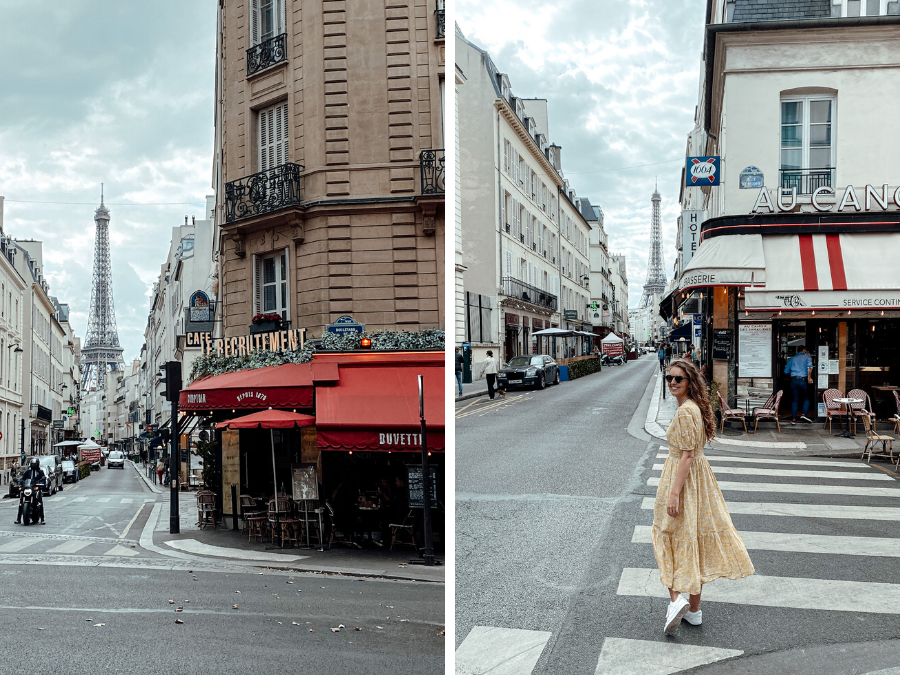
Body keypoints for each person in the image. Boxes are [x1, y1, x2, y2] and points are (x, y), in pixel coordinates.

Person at [652, 359, 754, 634]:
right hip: (699, 480)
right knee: (693, 540)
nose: (672, 382)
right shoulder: (695, 407)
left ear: (689, 383)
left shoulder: (686, 412)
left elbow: (685, 456)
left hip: (683, 479)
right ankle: (693, 612)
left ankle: (676, 601)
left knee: (670, 534)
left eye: (678, 379)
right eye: (669, 378)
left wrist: (674, 494)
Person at [784, 345, 814, 424]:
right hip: (803, 380)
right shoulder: (807, 357)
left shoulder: (792, 359)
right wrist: (809, 378)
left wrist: (793, 373)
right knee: (806, 398)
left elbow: (786, 371)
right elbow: (809, 368)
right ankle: (804, 414)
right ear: (804, 350)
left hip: (794, 380)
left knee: (795, 400)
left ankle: (793, 419)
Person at [15, 459, 46, 525]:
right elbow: (23, 478)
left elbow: (43, 479)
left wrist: (42, 484)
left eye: (35, 464)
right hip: (28, 488)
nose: (33, 465)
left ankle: (42, 519)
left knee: (39, 502)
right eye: (32, 464)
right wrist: (21, 482)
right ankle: (18, 519)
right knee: (21, 502)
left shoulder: (40, 472)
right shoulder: (28, 472)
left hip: (35, 489)